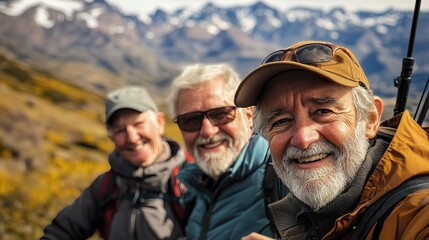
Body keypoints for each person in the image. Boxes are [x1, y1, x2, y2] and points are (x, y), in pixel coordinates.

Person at [235, 40, 429, 240]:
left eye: (323, 111)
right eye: (281, 121)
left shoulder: (418, 216)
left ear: (370, 120)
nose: (303, 139)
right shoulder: (311, 216)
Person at [42, 86, 186, 240]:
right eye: (119, 130)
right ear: (111, 136)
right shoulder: (106, 185)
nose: (131, 137)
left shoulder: (191, 181)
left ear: (159, 122)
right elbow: (62, 231)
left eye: (139, 124)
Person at [167, 63, 287, 240]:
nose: (207, 131)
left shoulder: (287, 176)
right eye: (190, 120)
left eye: (221, 114)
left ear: (248, 115)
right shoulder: (193, 187)